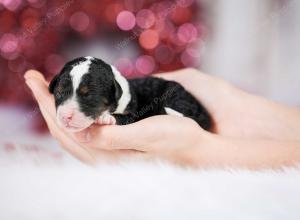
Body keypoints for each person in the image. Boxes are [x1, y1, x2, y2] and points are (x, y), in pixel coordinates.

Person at [24, 68, 300, 169]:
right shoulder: (111, 88)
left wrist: (202, 149)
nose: (67, 111)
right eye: (61, 94)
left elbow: (129, 116)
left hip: (183, 107)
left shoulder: (124, 96)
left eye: (86, 97)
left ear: (113, 93)